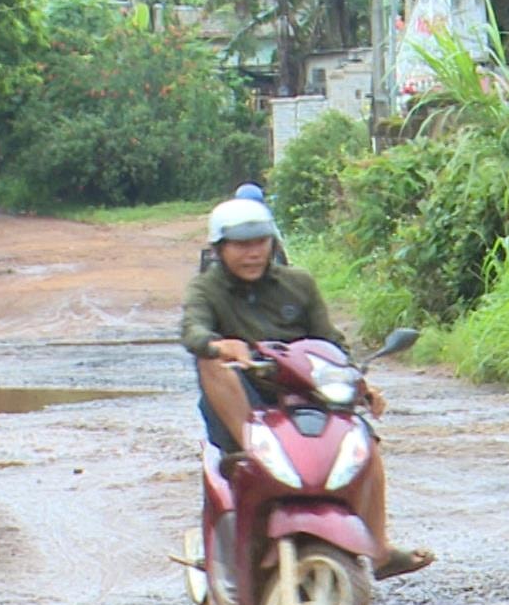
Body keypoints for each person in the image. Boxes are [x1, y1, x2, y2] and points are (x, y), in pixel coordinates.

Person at [181, 198, 430, 579]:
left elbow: (330, 342)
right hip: (242, 405)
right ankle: (254, 451)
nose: (252, 253)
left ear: (273, 243)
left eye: (259, 242)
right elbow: (192, 331)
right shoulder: (206, 289)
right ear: (219, 249)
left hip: (303, 396)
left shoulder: (298, 284)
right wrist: (218, 345)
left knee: (365, 442)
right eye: (240, 245)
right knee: (208, 361)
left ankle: (379, 549)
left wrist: (361, 384)